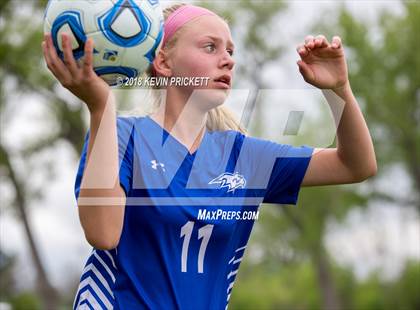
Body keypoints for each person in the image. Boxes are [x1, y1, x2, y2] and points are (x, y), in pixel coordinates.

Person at [42, 3, 377, 310]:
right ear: (163, 62)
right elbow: (103, 234)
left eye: (230, 50)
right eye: (210, 47)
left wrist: (338, 89)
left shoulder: (244, 156)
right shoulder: (123, 136)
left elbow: (356, 165)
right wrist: (101, 108)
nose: (228, 59)